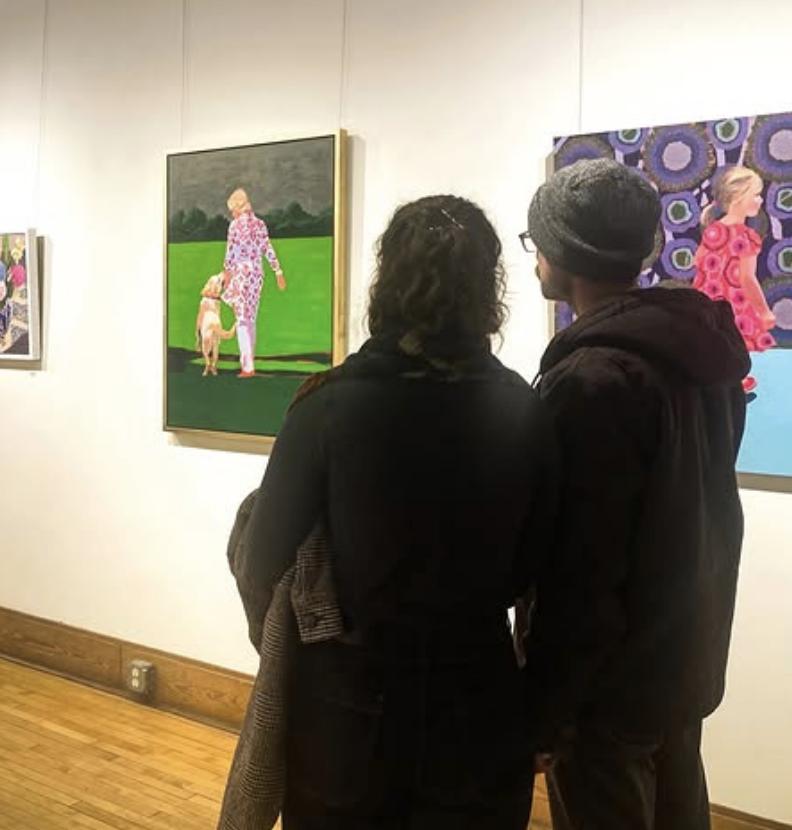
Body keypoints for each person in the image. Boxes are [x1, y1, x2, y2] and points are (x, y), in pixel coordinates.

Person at [237, 195, 561, 830]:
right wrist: (543, 709)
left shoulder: (325, 406)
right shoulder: (525, 411)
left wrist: (289, 647)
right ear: (487, 287)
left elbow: (260, 561)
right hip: (479, 698)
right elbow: (547, 573)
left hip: (347, 705)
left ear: (386, 279)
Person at [521, 158, 751, 830]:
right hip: (681, 661)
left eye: (537, 241)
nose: (535, 259)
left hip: (607, 690)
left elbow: (580, 570)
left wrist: (545, 708)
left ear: (563, 252)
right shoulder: (702, 360)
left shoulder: (591, 381)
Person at [693, 165, 776, 393]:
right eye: (756, 195)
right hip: (734, 304)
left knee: (716, 342)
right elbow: (748, 279)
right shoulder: (747, 237)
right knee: (735, 343)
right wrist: (764, 311)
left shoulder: (713, 230)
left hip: (707, 301)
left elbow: (697, 262)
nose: (760, 200)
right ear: (739, 198)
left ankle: (718, 379)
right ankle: (732, 381)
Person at [221, 188, 286, 377]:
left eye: (232, 210)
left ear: (237, 207)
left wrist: (226, 275)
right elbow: (267, 248)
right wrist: (278, 271)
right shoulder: (260, 224)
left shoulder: (234, 226)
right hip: (257, 275)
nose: (232, 213)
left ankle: (247, 367)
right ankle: (249, 363)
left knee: (242, 320)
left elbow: (230, 253)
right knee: (250, 319)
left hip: (241, 275)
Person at [196, 272, 233, 376]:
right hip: (207, 322)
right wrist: (198, 329)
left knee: (214, 343)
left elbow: (216, 313)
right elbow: (201, 315)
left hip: (214, 321)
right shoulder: (205, 300)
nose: (216, 288)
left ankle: (212, 366)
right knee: (207, 344)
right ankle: (209, 365)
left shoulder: (216, 300)